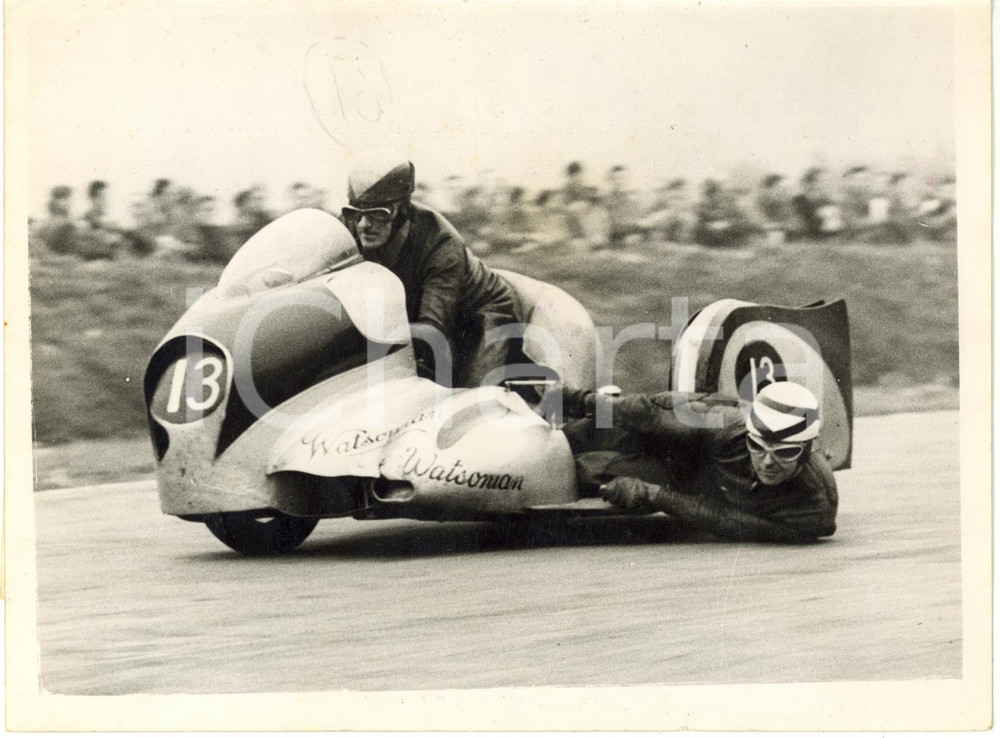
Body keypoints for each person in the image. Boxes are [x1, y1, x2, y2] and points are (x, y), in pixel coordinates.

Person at [547, 381, 838, 543]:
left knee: (584, 472)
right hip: (690, 432)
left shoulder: (813, 513)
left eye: (785, 452)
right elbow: (653, 413)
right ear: (749, 435)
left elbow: (724, 520)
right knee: (587, 432)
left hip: (692, 481)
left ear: (806, 449)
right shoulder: (728, 424)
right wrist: (577, 400)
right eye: (758, 446)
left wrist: (653, 495)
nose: (767, 462)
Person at [341, 148, 525, 387]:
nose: (364, 225)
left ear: (403, 212)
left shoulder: (441, 243)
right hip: (417, 311)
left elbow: (431, 332)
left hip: (480, 313)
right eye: (356, 213)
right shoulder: (351, 223)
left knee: (476, 400)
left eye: (378, 214)